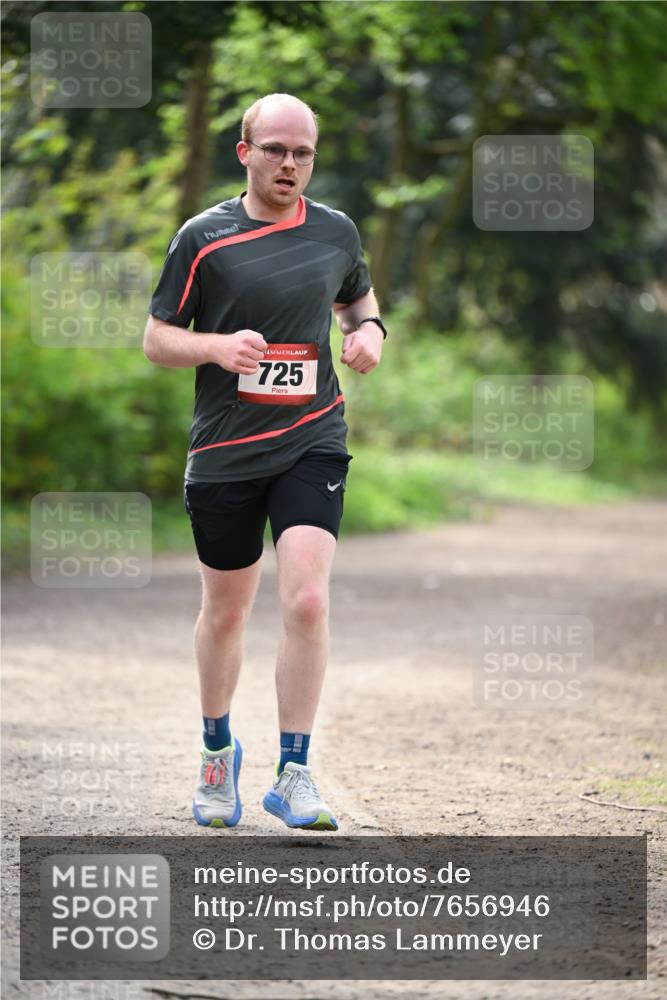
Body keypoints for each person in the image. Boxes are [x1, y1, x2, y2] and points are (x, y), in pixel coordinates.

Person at [144, 93, 386, 831]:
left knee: (307, 598)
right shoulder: (204, 237)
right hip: (223, 450)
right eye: (275, 150)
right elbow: (156, 338)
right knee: (226, 611)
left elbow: (358, 299)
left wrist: (370, 330)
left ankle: (295, 770)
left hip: (312, 436)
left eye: (302, 152)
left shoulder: (335, 232)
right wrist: (216, 347)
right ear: (244, 152)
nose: (289, 164)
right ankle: (218, 756)